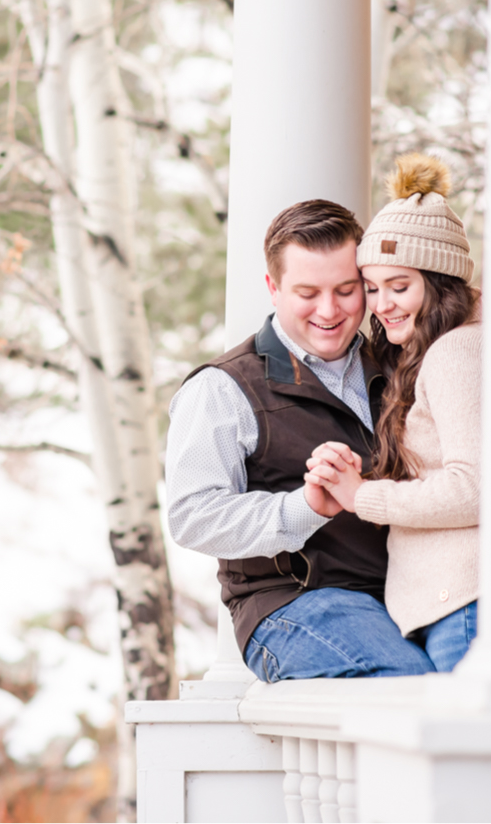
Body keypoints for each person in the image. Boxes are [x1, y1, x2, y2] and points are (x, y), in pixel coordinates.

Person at [165, 200, 435, 682]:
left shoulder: (400, 365)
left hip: (408, 592)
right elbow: (192, 516)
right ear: (273, 287)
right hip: (296, 604)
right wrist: (304, 507)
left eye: (347, 290)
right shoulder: (222, 388)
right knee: (410, 686)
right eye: (307, 293)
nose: (329, 311)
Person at [305, 153, 481, 672]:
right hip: (451, 604)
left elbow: (476, 488)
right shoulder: (429, 353)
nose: (382, 304)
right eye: (374, 288)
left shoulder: (455, 353)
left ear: (441, 281)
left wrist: (364, 497)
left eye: (399, 286)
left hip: (463, 603)